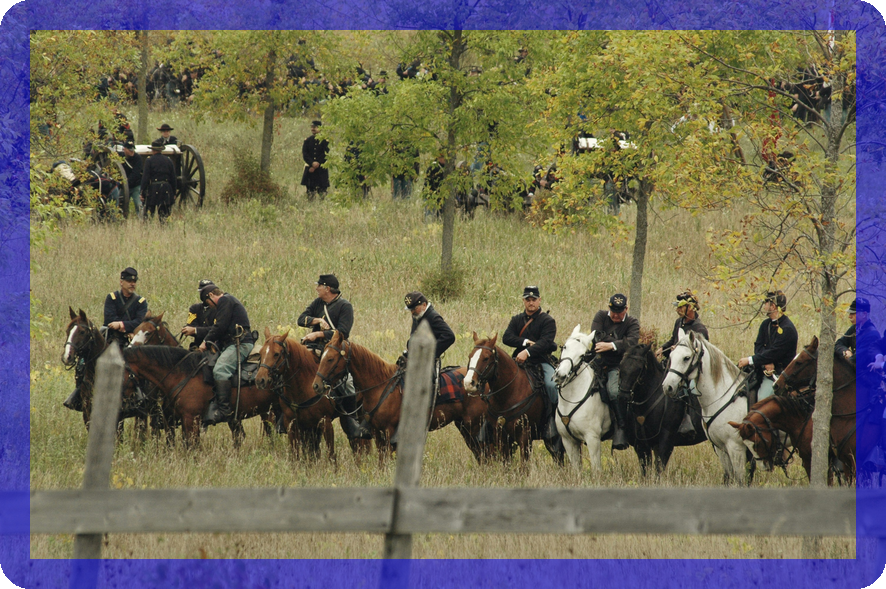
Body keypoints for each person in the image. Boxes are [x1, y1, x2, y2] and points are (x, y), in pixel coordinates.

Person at [296, 274, 369, 440]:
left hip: (334, 350)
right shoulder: (318, 303)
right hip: (314, 349)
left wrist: (318, 334)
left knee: (348, 384)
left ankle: (351, 418)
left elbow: (343, 332)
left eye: (319, 286)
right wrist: (317, 320)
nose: (316, 289)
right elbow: (301, 319)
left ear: (327, 288)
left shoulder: (345, 306)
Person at [502, 285, 560, 441]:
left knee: (551, 385)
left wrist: (527, 352)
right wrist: (525, 342)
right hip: (519, 361)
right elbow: (506, 337)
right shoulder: (516, 319)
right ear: (523, 301)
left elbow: (546, 342)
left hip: (541, 361)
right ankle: (493, 421)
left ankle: (553, 421)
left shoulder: (547, 321)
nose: (531, 302)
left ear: (539, 300)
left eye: (534, 299)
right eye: (528, 299)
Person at [199, 284, 255, 426]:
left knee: (220, 370)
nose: (210, 306)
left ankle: (224, 411)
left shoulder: (225, 300)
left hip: (240, 343)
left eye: (208, 303)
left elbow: (221, 326)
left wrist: (205, 341)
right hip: (230, 344)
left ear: (211, 295)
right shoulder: (229, 301)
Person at [591, 293, 641, 450]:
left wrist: (610, 345)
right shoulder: (600, 316)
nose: (615, 315)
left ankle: (620, 426)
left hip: (617, 365)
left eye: (619, 312)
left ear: (626, 309)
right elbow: (596, 336)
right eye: (613, 311)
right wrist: (620, 343)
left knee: (613, 391)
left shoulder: (632, 322)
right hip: (596, 362)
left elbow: (632, 342)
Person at [655, 290, 709, 435]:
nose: (677, 309)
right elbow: (672, 341)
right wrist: (663, 349)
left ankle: (686, 418)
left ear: (690, 307)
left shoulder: (699, 329)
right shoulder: (679, 322)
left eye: (681, 307)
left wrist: (678, 349)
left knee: (686, 389)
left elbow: (700, 354)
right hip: (675, 363)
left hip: (690, 369)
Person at [738, 290, 799, 401]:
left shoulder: (788, 329)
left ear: (773, 306)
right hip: (762, 369)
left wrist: (750, 360)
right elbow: (758, 346)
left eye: (766, 303)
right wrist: (766, 362)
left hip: (780, 375)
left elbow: (775, 353)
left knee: (763, 399)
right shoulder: (765, 324)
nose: (764, 306)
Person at [403, 291, 455, 363]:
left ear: (424, 305)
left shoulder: (433, 317)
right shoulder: (417, 315)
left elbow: (449, 336)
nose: (412, 312)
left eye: (415, 309)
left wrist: (429, 352)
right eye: (411, 310)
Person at [140, 139, 176, 221]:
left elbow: (145, 178)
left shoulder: (149, 160)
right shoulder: (168, 160)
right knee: (164, 217)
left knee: (149, 216)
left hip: (153, 189)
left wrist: (142, 192)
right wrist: (174, 193)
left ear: (153, 150)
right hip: (166, 189)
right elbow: (173, 178)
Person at [181, 279, 217, 351]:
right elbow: (190, 326)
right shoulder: (194, 308)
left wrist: (196, 330)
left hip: (215, 346)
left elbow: (216, 329)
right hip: (197, 346)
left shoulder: (219, 309)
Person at [301, 120, 330, 201]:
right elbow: (305, 154)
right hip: (310, 169)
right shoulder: (308, 140)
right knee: (310, 191)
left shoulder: (325, 141)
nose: (313, 129)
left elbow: (326, 154)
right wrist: (312, 163)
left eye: (315, 127)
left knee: (322, 191)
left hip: (321, 170)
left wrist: (318, 163)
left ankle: (322, 205)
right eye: (312, 127)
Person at [121, 140, 143, 217]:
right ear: (125, 149)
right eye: (129, 150)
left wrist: (126, 182)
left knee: (138, 205)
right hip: (123, 186)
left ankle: (141, 220)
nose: (132, 152)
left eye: (132, 149)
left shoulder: (138, 158)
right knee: (121, 205)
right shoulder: (121, 157)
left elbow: (136, 173)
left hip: (135, 185)